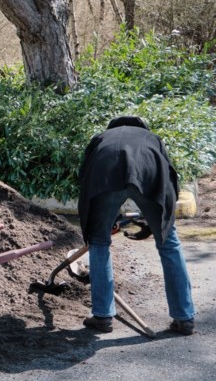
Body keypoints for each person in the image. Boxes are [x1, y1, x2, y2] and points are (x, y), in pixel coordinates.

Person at [77, 116, 196, 335]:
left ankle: (102, 316)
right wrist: (157, 223)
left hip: (105, 177)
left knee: (99, 242)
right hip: (150, 177)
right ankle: (184, 317)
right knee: (169, 243)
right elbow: (169, 178)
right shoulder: (152, 138)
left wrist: (104, 221)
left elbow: (85, 175)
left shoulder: (102, 138)